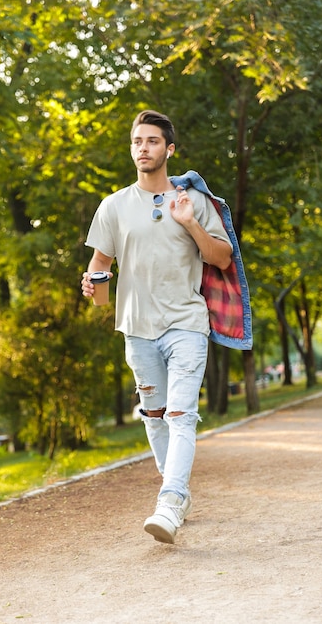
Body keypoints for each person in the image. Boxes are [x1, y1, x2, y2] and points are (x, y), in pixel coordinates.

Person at [82, 110, 233, 544]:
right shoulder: (113, 206)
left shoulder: (193, 201)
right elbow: (101, 265)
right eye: (137, 141)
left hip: (186, 322)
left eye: (151, 141)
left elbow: (221, 258)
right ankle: (177, 491)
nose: (143, 148)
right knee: (155, 415)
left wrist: (188, 222)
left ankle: (169, 500)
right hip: (136, 327)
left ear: (169, 149)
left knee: (182, 414)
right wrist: (94, 288)